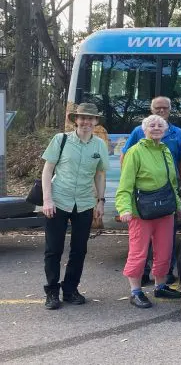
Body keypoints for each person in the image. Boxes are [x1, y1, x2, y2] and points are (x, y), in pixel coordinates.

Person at [40, 103, 110, 310]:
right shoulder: (60, 140)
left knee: (79, 250)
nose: (86, 122)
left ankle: (70, 290)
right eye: (83, 118)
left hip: (85, 203)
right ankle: (52, 292)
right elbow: (47, 170)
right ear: (76, 120)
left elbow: (100, 174)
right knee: (54, 249)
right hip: (58, 200)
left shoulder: (99, 145)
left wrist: (101, 200)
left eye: (91, 118)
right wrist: (47, 199)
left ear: (96, 122)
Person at [116, 115, 181, 309]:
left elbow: (172, 183)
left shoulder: (166, 151)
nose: (156, 128)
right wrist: (124, 208)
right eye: (151, 125)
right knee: (139, 252)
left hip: (165, 210)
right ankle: (135, 291)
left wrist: (178, 205)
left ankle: (160, 286)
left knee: (164, 251)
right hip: (141, 212)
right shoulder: (135, 152)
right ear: (144, 129)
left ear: (165, 130)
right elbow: (125, 183)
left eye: (160, 125)